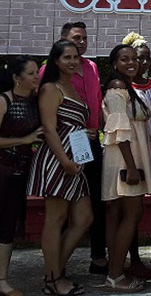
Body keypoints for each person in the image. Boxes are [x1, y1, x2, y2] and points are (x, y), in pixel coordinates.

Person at [39, 22, 106, 275]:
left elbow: (94, 105)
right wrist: (64, 159)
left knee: (89, 212)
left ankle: (59, 270)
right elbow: (48, 124)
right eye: (75, 39)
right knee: (58, 217)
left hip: (86, 147)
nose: (81, 44)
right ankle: (54, 275)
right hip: (61, 153)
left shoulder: (90, 69)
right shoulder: (49, 80)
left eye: (84, 39)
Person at [28, 40, 93, 296]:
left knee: (84, 218)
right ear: (55, 61)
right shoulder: (50, 89)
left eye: (75, 57)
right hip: (58, 161)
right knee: (55, 220)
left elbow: (71, 122)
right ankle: (53, 280)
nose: (72, 61)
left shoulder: (73, 87)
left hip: (76, 159)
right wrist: (64, 160)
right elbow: (50, 129)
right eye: (66, 57)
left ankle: (54, 271)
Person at [0, 57, 43, 296]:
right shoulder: (1, 100)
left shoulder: (33, 102)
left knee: (8, 224)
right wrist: (24, 140)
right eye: (31, 73)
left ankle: (2, 280)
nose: (36, 76)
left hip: (19, 169)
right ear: (17, 78)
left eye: (37, 72)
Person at [100, 45, 151, 292]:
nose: (131, 63)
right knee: (131, 215)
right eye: (124, 59)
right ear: (114, 64)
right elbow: (119, 132)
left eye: (134, 59)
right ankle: (115, 275)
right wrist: (132, 167)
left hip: (127, 158)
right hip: (126, 160)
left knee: (119, 215)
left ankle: (115, 270)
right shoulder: (118, 89)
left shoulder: (126, 88)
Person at [123, 32, 151, 280]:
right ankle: (132, 258)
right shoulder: (122, 88)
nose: (142, 64)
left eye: (146, 59)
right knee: (131, 210)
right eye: (138, 58)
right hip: (133, 152)